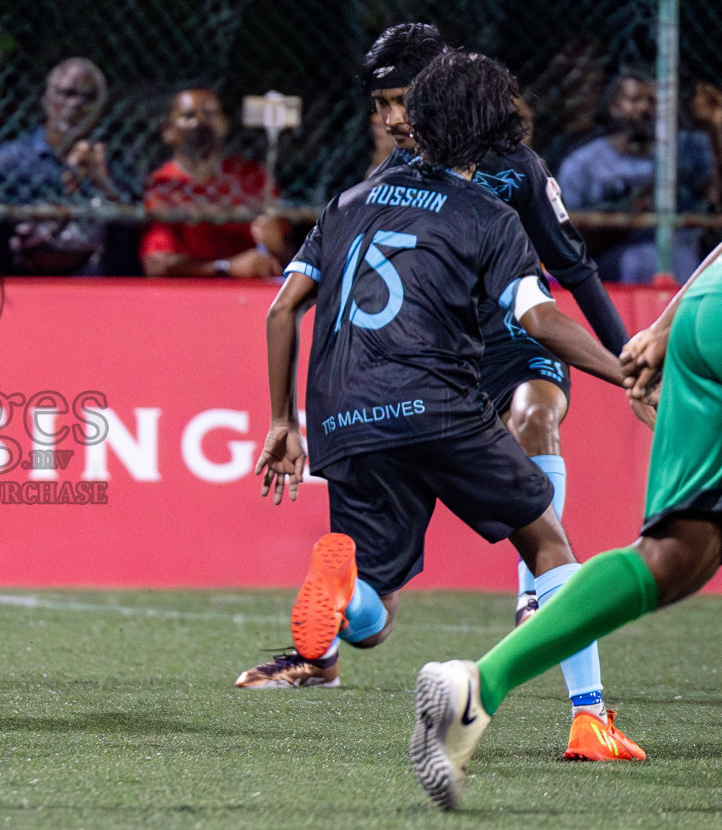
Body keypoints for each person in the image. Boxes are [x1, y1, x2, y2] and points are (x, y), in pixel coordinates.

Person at [236, 50, 645, 761]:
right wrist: (626, 372)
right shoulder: (490, 213)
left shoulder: (350, 201)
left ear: (418, 124)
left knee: (374, 611)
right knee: (547, 543)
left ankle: (342, 598)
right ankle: (590, 720)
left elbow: (281, 311)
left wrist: (282, 421)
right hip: (436, 402)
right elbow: (541, 318)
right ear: (495, 136)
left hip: (341, 411)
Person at [410, 240, 722, 810]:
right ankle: (576, 697)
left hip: (707, 310)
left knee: (677, 554)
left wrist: (664, 324)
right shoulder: (520, 187)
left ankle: (481, 684)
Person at [361, 24, 630, 669]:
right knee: (378, 572)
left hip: (519, 339)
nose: (393, 119)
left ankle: (534, 592)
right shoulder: (394, 176)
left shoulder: (518, 171)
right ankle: (326, 647)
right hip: (441, 360)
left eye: (403, 101)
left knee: (536, 415)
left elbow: (575, 270)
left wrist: (631, 363)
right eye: (382, 106)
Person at [0, 57, 121, 299]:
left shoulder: (114, 160)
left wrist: (101, 180)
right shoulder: (12, 159)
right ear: (46, 99)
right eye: (67, 93)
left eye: (88, 97)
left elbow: (131, 227)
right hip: (24, 283)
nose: (76, 104)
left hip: (95, 286)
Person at [558, 70, 721, 282]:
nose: (645, 108)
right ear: (614, 107)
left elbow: (716, 197)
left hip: (686, 260)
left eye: (653, 101)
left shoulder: (690, 148)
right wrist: (629, 212)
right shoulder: (584, 163)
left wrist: (715, 126)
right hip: (615, 266)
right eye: (635, 100)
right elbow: (569, 237)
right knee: (640, 260)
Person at [139, 87, 289, 279]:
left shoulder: (252, 176)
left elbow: (288, 258)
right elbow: (156, 264)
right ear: (169, 130)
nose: (201, 123)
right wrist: (227, 267)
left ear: (223, 123)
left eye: (209, 114)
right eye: (189, 116)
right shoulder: (163, 184)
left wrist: (277, 247)